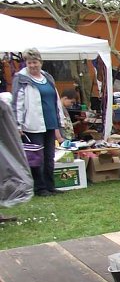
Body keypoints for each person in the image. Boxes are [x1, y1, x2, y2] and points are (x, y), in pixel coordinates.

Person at [11, 48, 66, 197]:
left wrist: (60, 121)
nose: (33, 65)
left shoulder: (47, 78)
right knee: (36, 157)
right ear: (26, 63)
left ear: (40, 62)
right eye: (29, 63)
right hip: (32, 124)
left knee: (49, 156)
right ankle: (40, 187)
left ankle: (50, 185)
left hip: (50, 122)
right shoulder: (21, 79)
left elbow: (55, 100)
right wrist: (18, 124)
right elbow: (17, 103)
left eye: (35, 62)